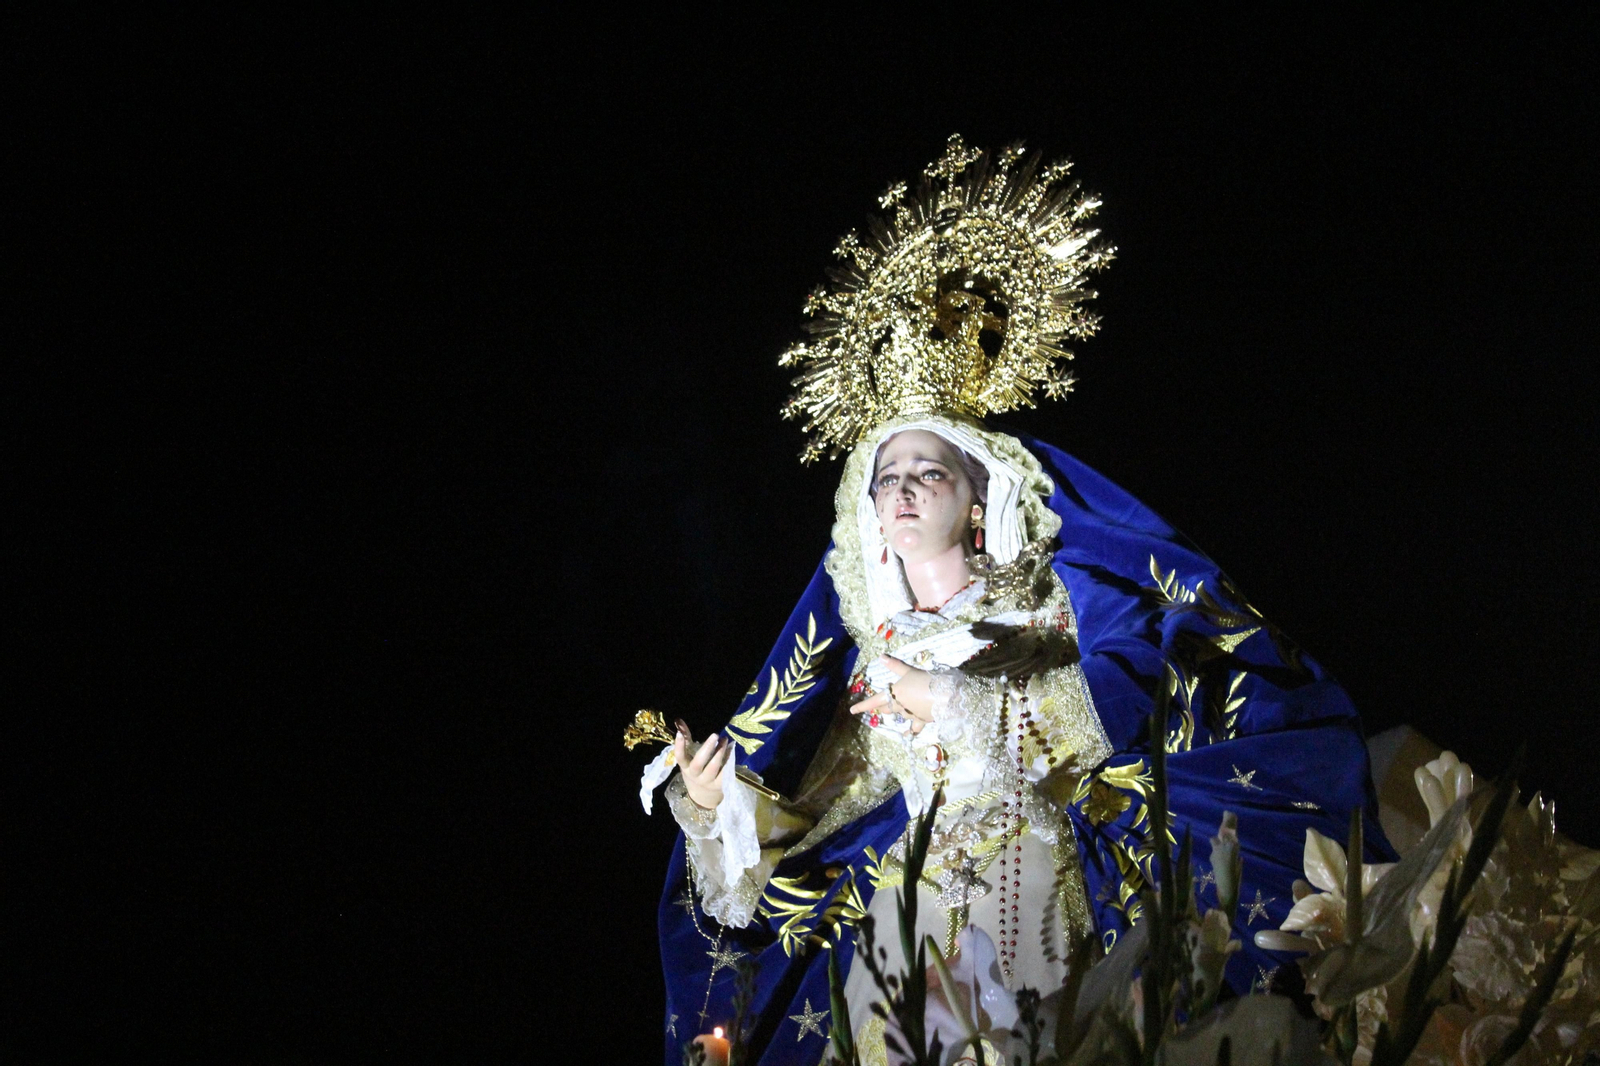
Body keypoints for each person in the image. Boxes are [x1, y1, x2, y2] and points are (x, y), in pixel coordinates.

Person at [642, 136, 1392, 1064]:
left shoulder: (1045, 610)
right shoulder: (876, 655)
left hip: (1031, 873)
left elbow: (1118, 704)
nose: (903, 489)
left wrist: (951, 700)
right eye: (886, 478)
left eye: (929, 471)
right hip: (908, 908)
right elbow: (833, 816)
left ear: (979, 495)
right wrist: (720, 809)